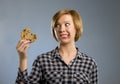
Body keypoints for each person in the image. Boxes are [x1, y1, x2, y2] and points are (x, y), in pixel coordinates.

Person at [15, 9, 98, 84]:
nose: (61, 29)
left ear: (76, 28)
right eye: (57, 25)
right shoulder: (42, 61)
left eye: (67, 24)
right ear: (54, 30)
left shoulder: (90, 63)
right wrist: (23, 59)